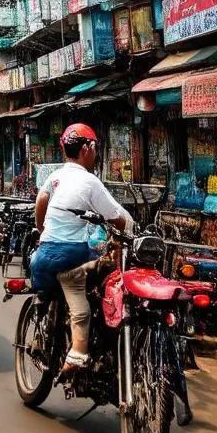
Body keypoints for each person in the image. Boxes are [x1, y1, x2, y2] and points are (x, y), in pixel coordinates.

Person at [31, 123, 131, 371]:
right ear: (87, 148)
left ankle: (44, 313)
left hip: (43, 256)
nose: (95, 153)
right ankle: (79, 350)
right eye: (95, 148)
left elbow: (41, 201)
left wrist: (43, 229)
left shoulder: (55, 177)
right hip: (72, 254)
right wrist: (129, 228)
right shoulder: (89, 181)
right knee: (104, 269)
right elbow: (115, 216)